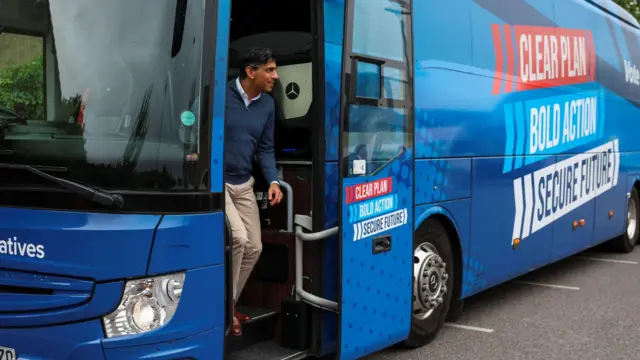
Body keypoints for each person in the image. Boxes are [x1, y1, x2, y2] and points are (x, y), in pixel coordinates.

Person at [224, 47, 283, 336]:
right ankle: (223, 311)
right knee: (238, 238)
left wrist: (272, 181)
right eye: (270, 70)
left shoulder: (268, 105)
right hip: (218, 183)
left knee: (255, 247)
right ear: (251, 71)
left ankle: (227, 302)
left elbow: (266, 148)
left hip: (244, 183)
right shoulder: (221, 96)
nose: (276, 75)